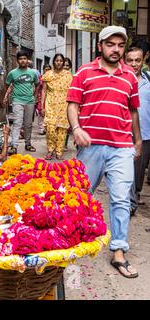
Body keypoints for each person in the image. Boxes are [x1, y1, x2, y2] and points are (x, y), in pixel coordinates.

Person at [67, 26, 141, 279]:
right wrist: (76, 128)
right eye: (111, 44)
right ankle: (72, 241)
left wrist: (138, 141)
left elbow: (133, 112)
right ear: (100, 46)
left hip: (121, 147)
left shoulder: (130, 76)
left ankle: (119, 251)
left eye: (120, 45)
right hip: (91, 146)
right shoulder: (85, 72)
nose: (116, 49)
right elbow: (73, 105)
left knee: (121, 199)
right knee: (81, 195)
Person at [126, 47, 150, 215]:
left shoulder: (149, 81)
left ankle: (135, 194)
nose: (134, 64)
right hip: (124, 133)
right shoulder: (121, 80)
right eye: (130, 60)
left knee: (139, 170)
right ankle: (131, 202)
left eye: (137, 60)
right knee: (126, 168)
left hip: (146, 133)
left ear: (143, 61)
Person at [3, 50, 39, 155]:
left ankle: (28, 144)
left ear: (27, 60)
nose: (23, 60)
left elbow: (37, 84)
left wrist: (35, 97)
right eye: (20, 59)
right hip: (17, 101)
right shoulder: (12, 73)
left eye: (24, 58)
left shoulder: (33, 73)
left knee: (28, 124)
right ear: (17, 60)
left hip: (30, 101)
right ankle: (14, 146)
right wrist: (4, 97)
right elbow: (6, 85)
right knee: (17, 123)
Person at [41, 54, 73, 160]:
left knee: (62, 129)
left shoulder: (68, 75)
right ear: (53, 62)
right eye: (57, 60)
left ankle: (59, 151)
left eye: (61, 60)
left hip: (64, 104)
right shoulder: (48, 74)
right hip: (50, 104)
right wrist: (42, 106)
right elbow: (44, 90)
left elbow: (72, 91)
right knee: (50, 128)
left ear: (63, 62)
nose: (59, 62)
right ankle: (51, 149)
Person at [37, 64, 52, 136]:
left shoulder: (53, 77)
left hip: (50, 97)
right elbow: (38, 87)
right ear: (43, 70)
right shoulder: (41, 78)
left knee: (48, 112)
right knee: (40, 112)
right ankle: (41, 129)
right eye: (46, 69)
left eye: (49, 69)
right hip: (41, 97)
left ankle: (47, 128)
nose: (47, 71)